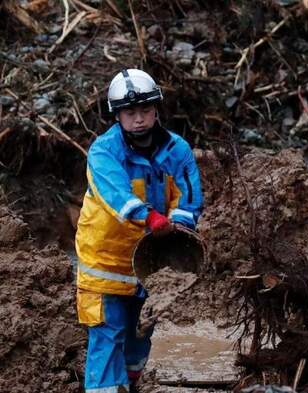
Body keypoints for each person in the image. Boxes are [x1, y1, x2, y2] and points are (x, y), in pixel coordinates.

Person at [74, 68, 203, 393]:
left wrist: (181, 230)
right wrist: (151, 219)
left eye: (145, 110)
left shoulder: (177, 150)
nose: (139, 119)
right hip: (106, 263)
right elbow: (117, 195)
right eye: (130, 112)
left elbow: (188, 197)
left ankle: (133, 385)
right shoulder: (104, 152)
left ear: (156, 109)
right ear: (118, 115)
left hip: (151, 264)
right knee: (107, 332)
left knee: (140, 336)